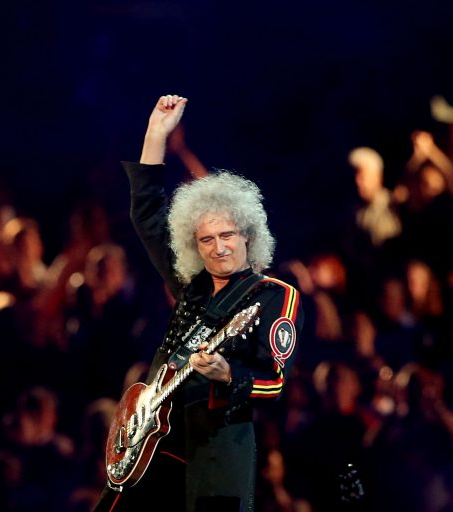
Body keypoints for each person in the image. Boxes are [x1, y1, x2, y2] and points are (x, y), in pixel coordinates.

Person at [94, 95, 304, 512]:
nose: (219, 248)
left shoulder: (274, 294)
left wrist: (228, 374)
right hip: (149, 445)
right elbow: (147, 214)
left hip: (214, 457)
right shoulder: (192, 285)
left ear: (248, 235)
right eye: (207, 240)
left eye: (227, 236)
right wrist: (156, 135)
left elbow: (275, 382)